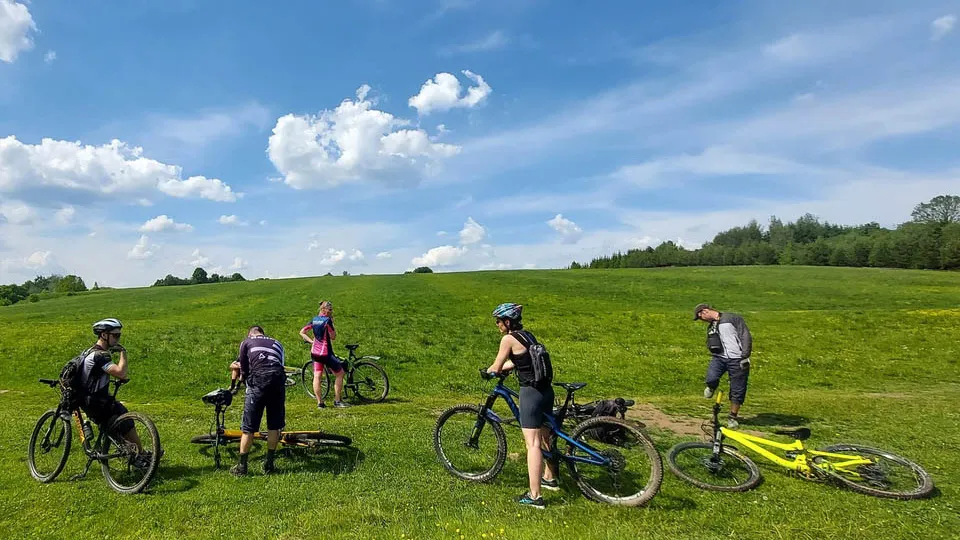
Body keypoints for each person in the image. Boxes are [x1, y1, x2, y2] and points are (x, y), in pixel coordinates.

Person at [485, 303, 556, 509]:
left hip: (530, 393)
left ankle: (535, 496)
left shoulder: (507, 339)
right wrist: (506, 367)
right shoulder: (527, 335)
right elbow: (521, 361)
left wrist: (490, 371)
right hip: (546, 391)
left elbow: (497, 366)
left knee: (532, 444)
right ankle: (550, 477)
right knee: (545, 435)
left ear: (507, 322)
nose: (497, 325)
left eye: (498, 321)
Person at [80, 318, 159, 465]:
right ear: (104, 335)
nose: (118, 338)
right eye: (115, 335)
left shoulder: (89, 352)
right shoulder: (100, 356)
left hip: (90, 401)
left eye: (119, 335)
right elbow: (121, 372)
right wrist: (123, 352)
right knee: (124, 419)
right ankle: (137, 456)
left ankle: (138, 453)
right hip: (96, 402)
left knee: (120, 418)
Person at [231, 325, 286, 476]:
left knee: (248, 428)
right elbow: (281, 365)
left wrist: (242, 380)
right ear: (263, 333)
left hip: (258, 384)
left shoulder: (246, 342)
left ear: (250, 334)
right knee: (274, 426)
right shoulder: (277, 343)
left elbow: (243, 369)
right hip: (277, 382)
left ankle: (242, 467)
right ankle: (269, 464)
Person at [693, 303, 753, 428]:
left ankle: (732, 417)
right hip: (719, 358)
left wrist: (745, 355)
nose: (702, 320)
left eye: (700, 317)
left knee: (738, 389)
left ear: (705, 311)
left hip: (737, 359)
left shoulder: (732, 319)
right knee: (711, 377)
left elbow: (745, 335)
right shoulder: (711, 327)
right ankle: (711, 386)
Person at [299, 301, 350, 409]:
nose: (331, 311)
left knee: (317, 376)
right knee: (340, 374)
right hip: (325, 353)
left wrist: (311, 341)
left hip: (315, 353)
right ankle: (337, 401)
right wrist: (332, 324)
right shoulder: (327, 321)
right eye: (330, 310)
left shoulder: (314, 319)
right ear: (324, 309)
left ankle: (320, 403)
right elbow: (333, 337)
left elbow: (302, 332)